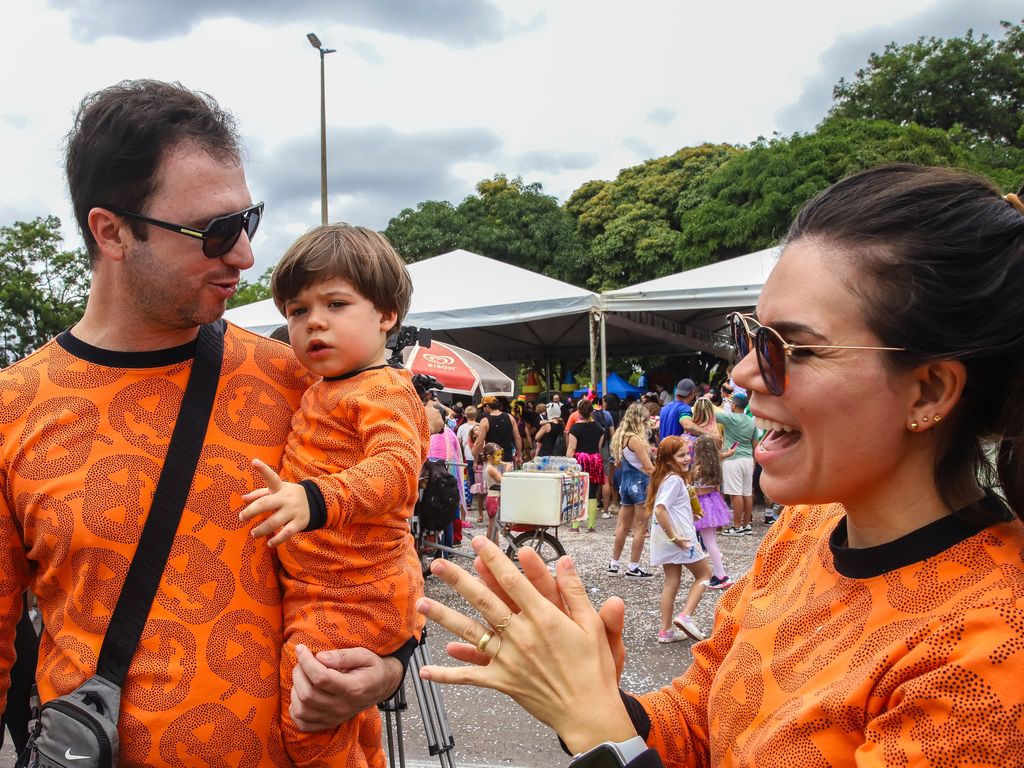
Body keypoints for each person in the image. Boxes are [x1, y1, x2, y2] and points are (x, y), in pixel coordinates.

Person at [413, 164, 1024, 766]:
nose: (744, 373)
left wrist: (595, 727)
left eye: (792, 348)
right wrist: (590, 693)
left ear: (929, 391)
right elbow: (701, 717)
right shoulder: (805, 530)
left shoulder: (990, 651)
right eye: (750, 337)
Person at [0, 80, 406, 766]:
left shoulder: (302, 383)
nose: (245, 257)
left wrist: (390, 665)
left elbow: (381, 553)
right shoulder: (14, 409)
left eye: (245, 222)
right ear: (112, 231)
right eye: (215, 233)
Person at [238, 225, 429, 767]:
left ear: (387, 314)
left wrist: (313, 499)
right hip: (326, 587)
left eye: (336, 303)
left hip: (352, 591)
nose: (313, 321)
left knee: (307, 722)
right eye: (297, 311)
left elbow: (396, 469)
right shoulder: (326, 385)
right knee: (352, 720)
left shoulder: (383, 388)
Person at [646, 436, 712, 643]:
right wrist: (675, 537)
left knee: (671, 581)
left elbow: (668, 509)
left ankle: (665, 631)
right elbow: (660, 509)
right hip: (680, 539)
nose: (687, 459)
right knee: (705, 575)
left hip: (668, 538)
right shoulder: (674, 480)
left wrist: (690, 515)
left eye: (687, 454)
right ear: (667, 459)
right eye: (681, 455)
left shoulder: (667, 479)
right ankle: (686, 615)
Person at [607, 403, 656, 579]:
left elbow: (619, 463)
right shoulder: (636, 439)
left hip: (625, 483)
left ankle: (614, 564)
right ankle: (634, 567)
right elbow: (649, 467)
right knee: (640, 528)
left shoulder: (621, 438)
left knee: (622, 526)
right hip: (640, 484)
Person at [691, 434, 733, 589]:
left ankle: (721, 575)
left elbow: (698, 490)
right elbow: (715, 488)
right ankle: (719, 573)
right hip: (714, 502)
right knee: (711, 540)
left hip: (702, 505)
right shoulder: (715, 467)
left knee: (709, 542)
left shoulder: (698, 469)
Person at [718, 392, 758, 536]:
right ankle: (746, 525)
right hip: (748, 459)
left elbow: (714, 412)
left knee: (735, 494)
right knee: (747, 493)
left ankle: (736, 527)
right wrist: (754, 461)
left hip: (733, 457)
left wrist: (724, 402)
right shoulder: (752, 421)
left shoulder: (729, 418)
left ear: (734, 405)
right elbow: (755, 442)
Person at [565, 399, 606, 533]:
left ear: (579, 411)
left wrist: (567, 465)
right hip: (594, 461)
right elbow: (599, 448)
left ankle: (575, 526)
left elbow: (571, 449)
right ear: (591, 411)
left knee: (577, 492)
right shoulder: (599, 428)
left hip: (580, 462)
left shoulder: (575, 428)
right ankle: (591, 525)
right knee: (592, 493)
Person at [473, 396, 522, 468]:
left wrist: (475, 460)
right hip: (507, 459)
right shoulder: (510, 417)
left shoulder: (485, 421)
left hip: (492, 460)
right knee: (506, 479)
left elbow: (479, 442)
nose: (483, 409)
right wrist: (519, 456)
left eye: (483, 407)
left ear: (487, 406)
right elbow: (517, 438)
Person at [479, 443, 505, 543]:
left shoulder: (491, 467)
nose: (500, 457)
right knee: (494, 528)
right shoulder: (491, 469)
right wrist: (507, 468)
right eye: (498, 455)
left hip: (491, 498)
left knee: (491, 525)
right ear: (489, 456)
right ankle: (496, 549)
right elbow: (502, 480)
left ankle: (486, 548)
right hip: (494, 498)